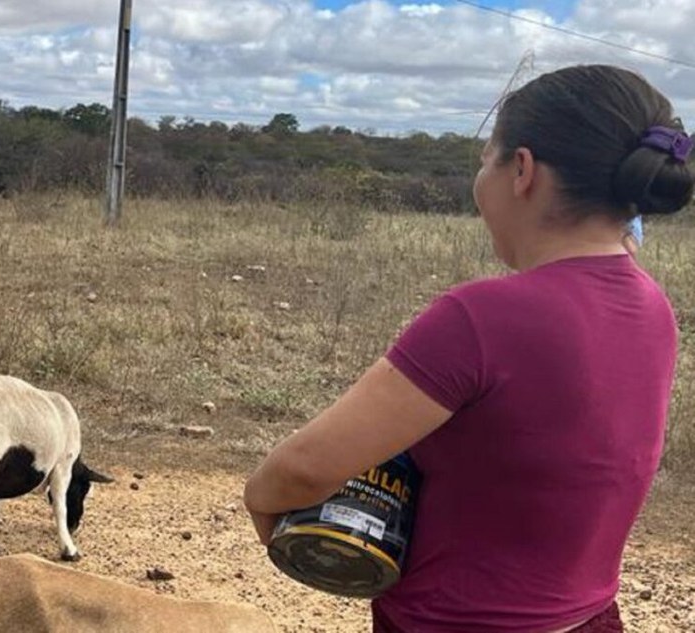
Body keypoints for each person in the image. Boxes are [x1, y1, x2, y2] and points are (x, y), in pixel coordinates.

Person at [243, 64, 694, 633]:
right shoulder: (654, 307)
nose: (481, 178)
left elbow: (303, 471)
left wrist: (262, 504)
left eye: (486, 159)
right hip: (591, 620)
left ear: (522, 170)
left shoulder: (480, 317)